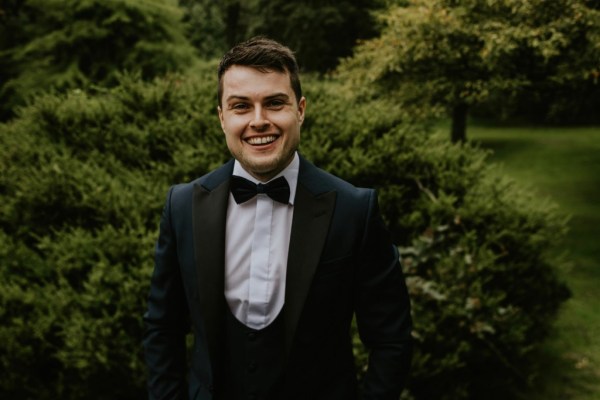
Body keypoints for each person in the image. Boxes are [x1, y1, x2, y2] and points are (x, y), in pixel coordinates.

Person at [143, 36, 412, 400]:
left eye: (274, 103)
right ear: (222, 117)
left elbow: (390, 339)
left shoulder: (354, 210)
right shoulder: (183, 206)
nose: (259, 121)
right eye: (241, 106)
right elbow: (162, 328)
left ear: (300, 110)